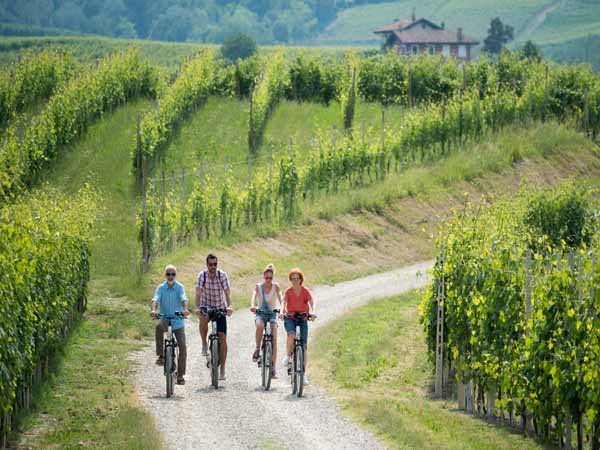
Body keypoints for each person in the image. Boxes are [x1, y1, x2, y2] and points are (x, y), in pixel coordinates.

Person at [195, 253, 233, 381]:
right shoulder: (202, 275)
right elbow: (198, 291)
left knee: (223, 339)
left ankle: (222, 369)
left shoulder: (222, 275)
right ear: (207, 265)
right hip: (207, 306)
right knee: (203, 318)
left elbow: (227, 291)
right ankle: (204, 344)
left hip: (219, 307)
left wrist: (230, 306)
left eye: (215, 264)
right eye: (210, 264)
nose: (213, 266)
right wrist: (197, 307)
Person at [151, 264, 189, 385]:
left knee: (182, 347)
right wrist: (153, 310)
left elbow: (184, 299)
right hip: (164, 317)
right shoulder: (161, 287)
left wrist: (185, 309)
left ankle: (180, 375)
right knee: (158, 327)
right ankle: (161, 356)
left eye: (173, 274)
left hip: (177, 319)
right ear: (165, 275)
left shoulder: (180, 287)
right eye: (168, 274)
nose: (170, 276)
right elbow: (155, 299)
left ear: (175, 275)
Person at [280, 268, 316, 386]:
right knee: (291, 334)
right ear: (290, 280)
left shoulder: (305, 291)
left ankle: (304, 374)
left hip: (303, 318)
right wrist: (281, 312)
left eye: (297, 278)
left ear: (301, 279)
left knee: (304, 347)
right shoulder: (288, 292)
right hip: (290, 317)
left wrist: (313, 312)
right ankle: (288, 356)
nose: (295, 280)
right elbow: (283, 303)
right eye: (293, 279)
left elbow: (311, 302)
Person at [250, 264, 282, 378]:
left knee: (274, 339)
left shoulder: (276, 286)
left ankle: (273, 367)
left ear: (273, 278)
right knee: (259, 326)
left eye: (270, 278)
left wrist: (283, 310)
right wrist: (253, 305)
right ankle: (258, 348)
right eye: (266, 278)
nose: (268, 280)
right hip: (261, 313)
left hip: (272, 314)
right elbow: (254, 295)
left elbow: (280, 297)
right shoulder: (258, 286)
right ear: (263, 277)